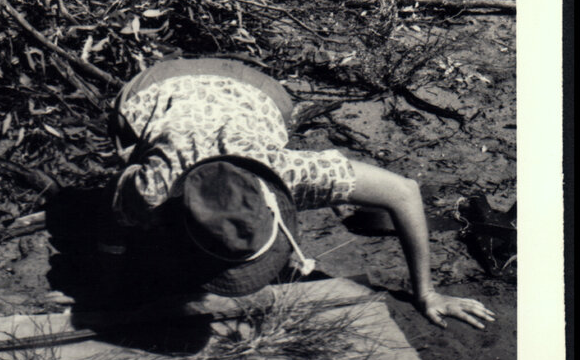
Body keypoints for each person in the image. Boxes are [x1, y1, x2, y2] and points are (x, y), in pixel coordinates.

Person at [96, 57, 496, 330]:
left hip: (252, 89)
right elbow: (121, 200)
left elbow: (404, 192)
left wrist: (426, 293)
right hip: (150, 92)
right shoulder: (152, 191)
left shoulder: (294, 173)